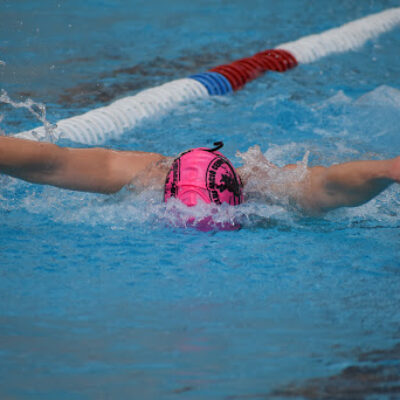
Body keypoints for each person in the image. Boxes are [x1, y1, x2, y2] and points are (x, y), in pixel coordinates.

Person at [0, 136, 399, 215]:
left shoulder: (272, 189)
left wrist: (387, 170)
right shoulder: (145, 178)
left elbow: (330, 184)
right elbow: (52, 162)